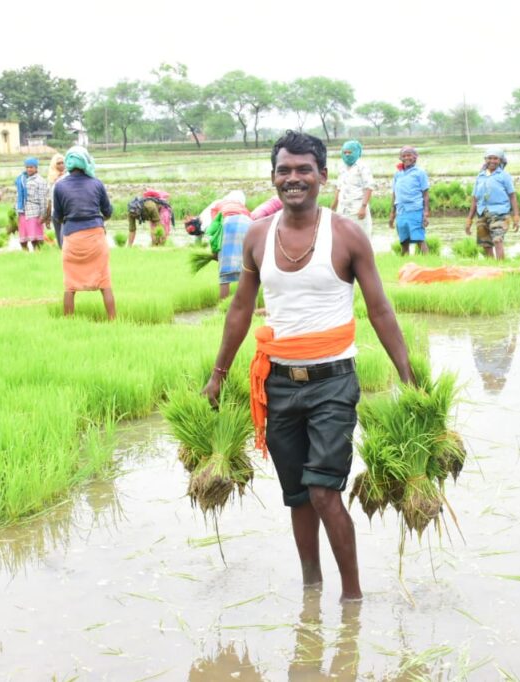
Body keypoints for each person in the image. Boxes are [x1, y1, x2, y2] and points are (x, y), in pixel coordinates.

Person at [202, 131, 415, 602]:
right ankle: (311, 590)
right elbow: (241, 308)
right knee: (298, 497)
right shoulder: (259, 235)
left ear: (322, 175)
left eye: (304, 170)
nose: (293, 178)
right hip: (279, 383)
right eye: (284, 170)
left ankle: (352, 598)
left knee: (323, 492)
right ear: (273, 177)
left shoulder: (346, 234)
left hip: (333, 383)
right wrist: (217, 374)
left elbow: (379, 309)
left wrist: (407, 374)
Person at [52, 145, 115, 320]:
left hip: (72, 239)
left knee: (70, 286)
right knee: (105, 282)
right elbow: (108, 211)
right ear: (86, 161)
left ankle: (69, 322)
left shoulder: (59, 186)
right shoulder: (97, 184)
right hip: (96, 238)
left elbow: (57, 216)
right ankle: (113, 321)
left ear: (69, 163)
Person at [465, 148, 520, 260]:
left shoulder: (504, 176)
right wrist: (469, 219)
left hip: (500, 212)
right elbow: (475, 199)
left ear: (500, 160)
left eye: (495, 158)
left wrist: (516, 216)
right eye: (489, 158)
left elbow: (512, 196)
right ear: (485, 160)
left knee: (497, 240)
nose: (492, 161)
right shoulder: (480, 176)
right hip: (482, 212)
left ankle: (501, 267)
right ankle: (492, 267)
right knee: (485, 244)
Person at [209, 190, 252, 299]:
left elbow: (214, 231)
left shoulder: (218, 206)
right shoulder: (244, 209)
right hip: (247, 223)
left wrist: (215, 252)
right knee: (247, 270)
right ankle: (249, 306)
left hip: (227, 223)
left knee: (224, 275)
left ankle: (223, 306)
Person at [388, 146, 430, 255]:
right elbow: (395, 194)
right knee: (403, 241)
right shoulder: (398, 174)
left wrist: (425, 213)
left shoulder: (420, 172)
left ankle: (429, 261)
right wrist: (392, 214)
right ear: (400, 158)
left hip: (415, 209)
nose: (407, 158)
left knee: (419, 238)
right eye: (404, 156)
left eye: (409, 155)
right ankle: (404, 263)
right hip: (401, 211)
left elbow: (425, 194)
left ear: (415, 157)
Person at [331, 140, 374, 237]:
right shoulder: (342, 168)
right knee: (343, 236)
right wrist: (333, 207)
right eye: (344, 152)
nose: (347, 155)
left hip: (357, 209)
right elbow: (339, 188)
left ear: (357, 152)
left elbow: (369, 187)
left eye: (349, 152)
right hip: (342, 209)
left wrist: (363, 207)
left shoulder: (362, 167)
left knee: (360, 236)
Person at [16, 157, 48, 251]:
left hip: (34, 213)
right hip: (22, 212)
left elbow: (43, 199)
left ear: (36, 168)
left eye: (31, 167)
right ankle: (25, 257)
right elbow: (18, 196)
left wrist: (43, 215)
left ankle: (38, 256)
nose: (29, 169)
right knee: (23, 240)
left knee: (35, 239)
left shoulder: (40, 181)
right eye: (27, 167)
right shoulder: (22, 179)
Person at [46, 154, 67, 247]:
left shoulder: (68, 177)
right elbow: (49, 198)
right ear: (54, 165)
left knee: (66, 238)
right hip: (55, 212)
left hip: (66, 211)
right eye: (58, 163)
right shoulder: (51, 179)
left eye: (63, 163)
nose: (61, 165)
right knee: (59, 239)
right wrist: (47, 216)